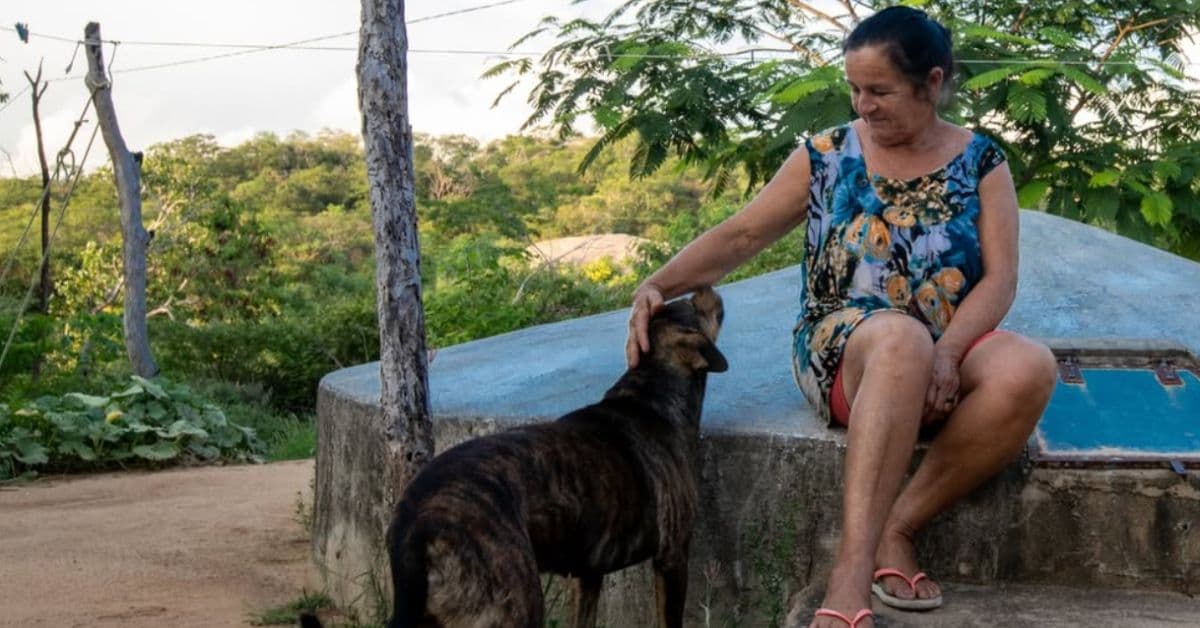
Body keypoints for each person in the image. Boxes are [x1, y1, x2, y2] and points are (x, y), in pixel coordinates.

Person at [624, 6, 1058, 628]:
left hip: (943, 347)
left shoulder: (983, 163)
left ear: (931, 83)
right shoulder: (826, 155)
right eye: (855, 89)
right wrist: (658, 283)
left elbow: (1000, 279)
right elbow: (743, 234)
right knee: (900, 337)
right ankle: (850, 574)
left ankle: (898, 529)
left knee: (1028, 365)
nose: (864, 105)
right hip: (845, 350)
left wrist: (949, 352)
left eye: (879, 91)